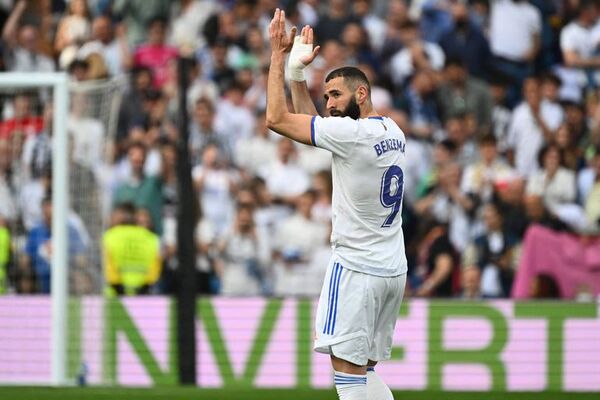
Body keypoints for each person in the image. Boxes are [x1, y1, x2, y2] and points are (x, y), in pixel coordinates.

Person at [266, 10, 407, 400]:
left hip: (357, 268)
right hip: (391, 268)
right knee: (363, 372)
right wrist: (298, 75)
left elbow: (277, 119)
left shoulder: (352, 135)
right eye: (326, 96)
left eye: (335, 95)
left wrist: (278, 56)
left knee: (346, 374)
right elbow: (318, 130)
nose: (328, 104)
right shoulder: (392, 131)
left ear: (361, 94)